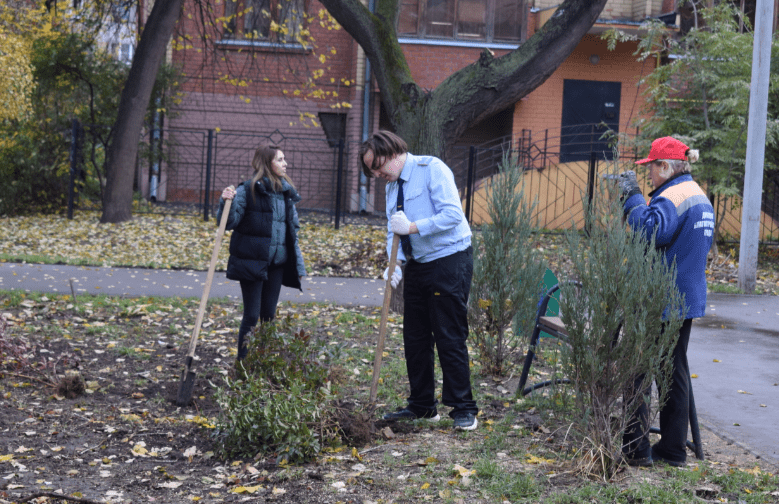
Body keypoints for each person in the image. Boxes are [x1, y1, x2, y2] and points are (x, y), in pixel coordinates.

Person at [360, 130, 479, 431]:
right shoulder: (391, 188)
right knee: (414, 336)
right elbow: (393, 231)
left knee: (448, 334)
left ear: (391, 154)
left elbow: (453, 215)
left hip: (450, 259)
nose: (376, 174)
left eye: (377, 166)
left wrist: (413, 226)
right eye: (371, 170)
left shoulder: (431, 170)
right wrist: (394, 264)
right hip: (418, 263)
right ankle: (423, 405)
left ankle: (464, 408)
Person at [618, 136, 714, 467]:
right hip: (685, 298)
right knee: (674, 372)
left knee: (638, 372)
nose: (649, 177)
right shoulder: (699, 195)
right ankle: (673, 450)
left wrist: (631, 199)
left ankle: (635, 448)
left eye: (652, 169)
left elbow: (649, 231)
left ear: (665, 166)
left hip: (659, 299)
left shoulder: (672, 196)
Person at [217, 143, 306, 361]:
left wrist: (299, 265)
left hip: (277, 263)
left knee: (269, 316)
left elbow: (292, 233)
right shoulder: (248, 190)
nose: (285, 164)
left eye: (284, 159)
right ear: (267, 163)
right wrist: (225, 202)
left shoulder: (286, 194)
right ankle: (244, 365)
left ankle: (263, 363)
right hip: (252, 262)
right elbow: (228, 223)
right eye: (280, 159)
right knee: (252, 316)